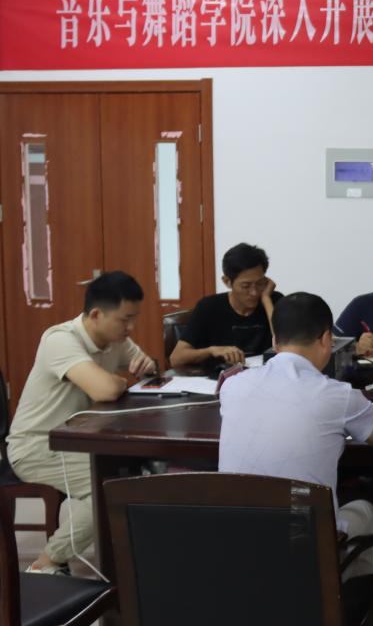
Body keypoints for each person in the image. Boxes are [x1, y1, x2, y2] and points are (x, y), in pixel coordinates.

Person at [219, 292, 373, 573]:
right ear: (326, 339)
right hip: (303, 551)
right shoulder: (337, 395)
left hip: (239, 543)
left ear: (275, 340)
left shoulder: (232, 386)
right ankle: (356, 594)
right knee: (371, 509)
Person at [9, 271, 157, 574]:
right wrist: (118, 381)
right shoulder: (60, 340)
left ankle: (130, 557)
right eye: (125, 320)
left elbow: (147, 366)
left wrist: (149, 365)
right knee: (110, 487)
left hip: (79, 441)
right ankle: (47, 561)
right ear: (96, 314)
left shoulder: (115, 339)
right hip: (38, 446)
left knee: (139, 470)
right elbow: (105, 390)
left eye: (134, 318)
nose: (131, 327)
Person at [169, 242, 281, 368]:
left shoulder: (274, 301)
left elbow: (285, 346)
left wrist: (266, 300)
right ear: (227, 281)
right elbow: (176, 358)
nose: (254, 292)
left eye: (260, 283)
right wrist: (212, 351)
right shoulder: (209, 307)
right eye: (246, 286)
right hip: (220, 378)